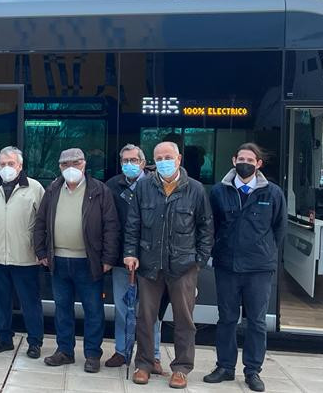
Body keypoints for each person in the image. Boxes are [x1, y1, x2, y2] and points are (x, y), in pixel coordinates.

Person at [123, 141, 213, 388]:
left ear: (179, 158)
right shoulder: (143, 187)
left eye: (168, 156)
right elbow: (133, 224)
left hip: (183, 266)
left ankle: (182, 368)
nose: (163, 161)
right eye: (158, 157)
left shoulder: (195, 189)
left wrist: (199, 262)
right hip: (149, 264)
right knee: (145, 317)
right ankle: (144, 364)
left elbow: (206, 228)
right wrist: (130, 253)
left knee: (184, 320)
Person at [203, 144, 286, 392]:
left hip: (259, 269)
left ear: (259, 163)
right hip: (227, 266)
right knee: (226, 319)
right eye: (241, 158)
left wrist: (267, 253)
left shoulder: (272, 193)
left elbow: (279, 229)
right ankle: (225, 368)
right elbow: (210, 226)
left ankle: (252, 371)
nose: (245, 162)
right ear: (233, 160)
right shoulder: (219, 192)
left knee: (257, 322)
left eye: (250, 159)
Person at [33, 148, 120, 373]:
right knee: (62, 309)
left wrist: (108, 258)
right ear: (60, 167)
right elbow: (40, 222)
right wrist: (41, 252)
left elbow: (111, 226)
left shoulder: (100, 190)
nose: (71, 167)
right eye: (65, 164)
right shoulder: (52, 189)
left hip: (88, 261)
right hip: (58, 260)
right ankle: (65, 351)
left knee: (93, 310)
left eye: (76, 163)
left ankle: (92, 354)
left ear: (84, 164)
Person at [0, 146, 45, 358]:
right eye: (2, 164)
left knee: (30, 303)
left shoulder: (35, 188)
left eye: (11, 164)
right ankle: (3, 339)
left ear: (20, 166)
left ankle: (35, 342)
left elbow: (43, 223)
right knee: (1, 302)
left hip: (27, 258)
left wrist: (41, 252)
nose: (6, 168)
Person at [104, 144, 164, 374]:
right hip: (122, 260)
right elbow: (108, 223)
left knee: (150, 310)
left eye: (133, 160)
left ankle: (154, 356)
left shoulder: (155, 185)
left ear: (142, 161)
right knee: (122, 308)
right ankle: (122, 350)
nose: (129, 164)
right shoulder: (112, 185)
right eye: (124, 160)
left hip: (149, 260)